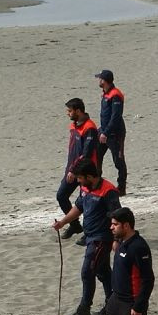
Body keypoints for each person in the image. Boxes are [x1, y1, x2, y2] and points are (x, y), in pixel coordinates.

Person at [52, 159, 119, 315]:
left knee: (87, 272)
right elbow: (79, 208)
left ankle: (84, 310)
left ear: (90, 176)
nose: (78, 181)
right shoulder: (85, 187)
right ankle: (112, 306)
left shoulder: (108, 191)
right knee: (103, 272)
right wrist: (63, 222)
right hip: (90, 237)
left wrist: (117, 240)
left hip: (101, 239)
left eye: (80, 178)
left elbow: (117, 216)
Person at [57, 97, 100, 242]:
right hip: (71, 170)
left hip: (85, 172)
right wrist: (70, 169)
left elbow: (86, 154)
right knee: (61, 196)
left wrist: (74, 171)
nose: (67, 114)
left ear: (79, 111)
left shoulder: (90, 128)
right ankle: (75, 225)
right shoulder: (73, 126)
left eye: (70, 111)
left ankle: (88, 233)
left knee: (87, 202)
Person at [96, 69, 128, 196]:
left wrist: (106, 133)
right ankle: (97, 183)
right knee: (97, 156)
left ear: (104, 80)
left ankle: (121, 187)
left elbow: (115, 116)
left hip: (115, 134)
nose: (98, 80)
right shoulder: (106, 94)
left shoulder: (115, 95)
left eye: (100, 78)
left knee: (118, 160)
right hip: (104, 131)